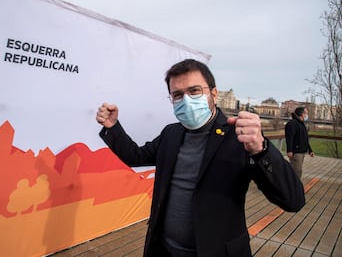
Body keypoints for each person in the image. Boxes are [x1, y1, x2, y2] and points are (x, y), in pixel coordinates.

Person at [96, 59, 305, 257]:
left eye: (194, 91)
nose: (186, 100)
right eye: (177, 94)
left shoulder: (241, 137)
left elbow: (293, 200)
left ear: (214, 93)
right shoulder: (171, 133)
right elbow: (136, 156)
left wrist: (261, 149)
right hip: (165, 250)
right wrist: (113, 128)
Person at [285, 107, 315, 178]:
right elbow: (289, 137)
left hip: (302, 152)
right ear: (302, 114)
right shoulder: (292, 123)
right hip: (296, 152)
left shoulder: (302, 124)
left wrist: (310, 150)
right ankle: (293, 187)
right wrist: (289, 150)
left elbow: (305, 139)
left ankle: (293, 186)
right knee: (297, 171)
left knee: (296, 171)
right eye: (306, 113)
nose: (306, 115)